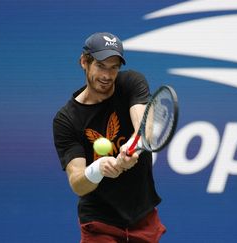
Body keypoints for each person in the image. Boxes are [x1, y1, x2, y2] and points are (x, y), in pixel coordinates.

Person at [53, 32, 166, 242]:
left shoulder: (131, 82)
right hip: (99, 222)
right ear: (84, 62)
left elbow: (145, 130)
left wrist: (132, 148)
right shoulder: (66, 119)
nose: (107, 75)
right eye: (100, 65)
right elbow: (77, 183)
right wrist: (98, 169)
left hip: (142, 216)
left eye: (114, 67)